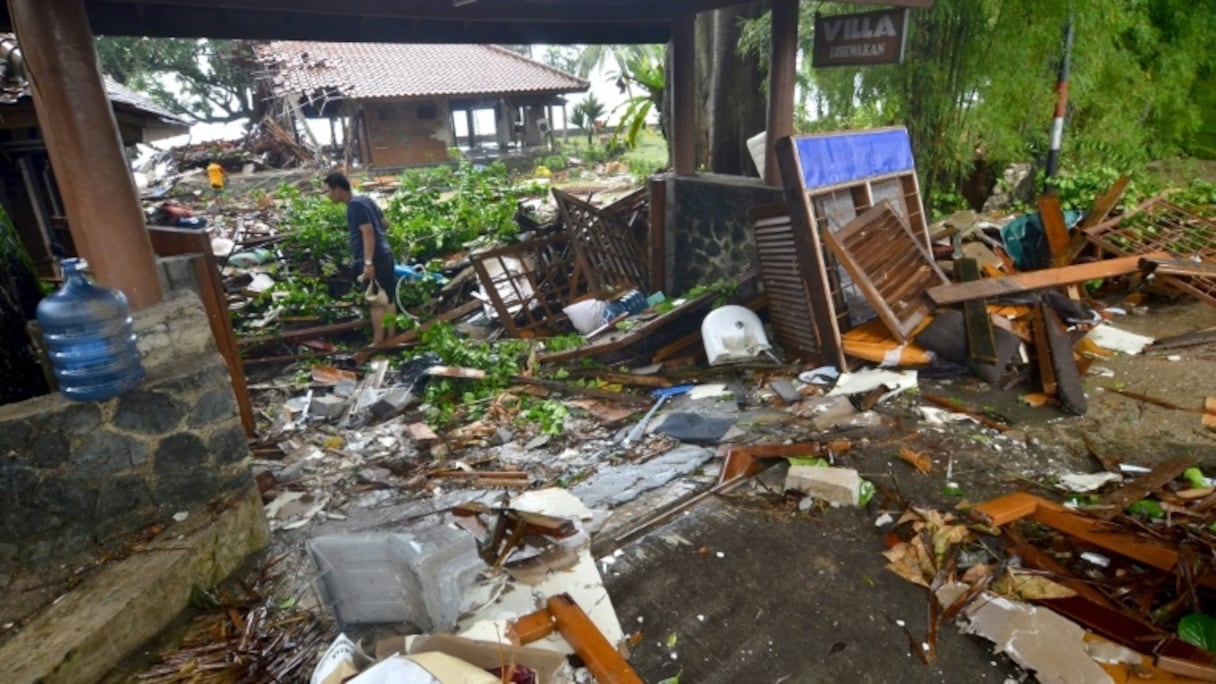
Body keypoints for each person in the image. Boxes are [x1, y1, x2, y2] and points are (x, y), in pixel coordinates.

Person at [324, 172, 397, 344]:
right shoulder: (365, 200)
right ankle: (392, 338)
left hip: (374, 259)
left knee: (375, 301)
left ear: (339, 189)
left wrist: (368, 262)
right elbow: (385, 224)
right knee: (388, 297)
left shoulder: (354, 206)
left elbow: (368, 231)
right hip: (385, 254)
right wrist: (380, 242)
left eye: (328, 191)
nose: (328, 195)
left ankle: (378, 342)